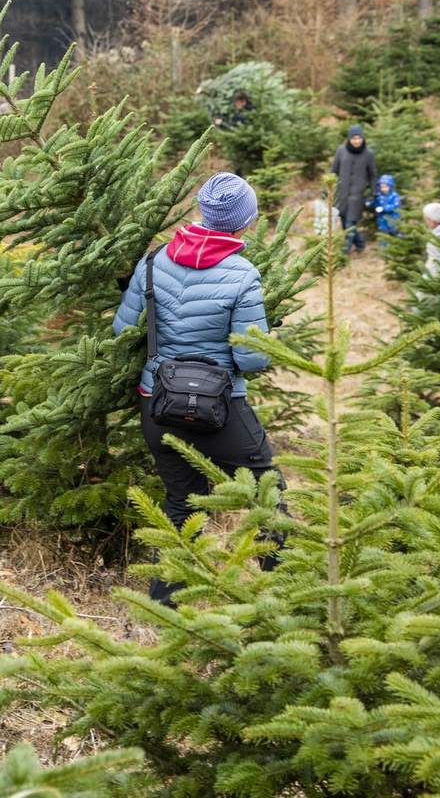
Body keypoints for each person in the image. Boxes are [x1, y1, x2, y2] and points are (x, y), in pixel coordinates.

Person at [113, 173, 284, 604]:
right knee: (269, 497)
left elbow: (122, 329)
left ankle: (162, 606)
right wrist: (269, 341)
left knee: (182, 505)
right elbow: (252, 359)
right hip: (220, 412)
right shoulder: (243, 274)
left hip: (158, 403)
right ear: (244, 221)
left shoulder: (154, 261)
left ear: (202, 212)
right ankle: (289, 596)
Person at [330, 124, 376, 255]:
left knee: (350, 223)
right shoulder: (341, 150)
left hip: (357, 195)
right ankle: (360, 244)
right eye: (354, 138)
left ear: (362, 138)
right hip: (342, 193)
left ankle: (345, 251)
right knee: (345, 221)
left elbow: (372, 175)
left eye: (359, 138)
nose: (357, 141)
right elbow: (334, 170)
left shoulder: (368, 154)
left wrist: (373, 192)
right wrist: (327, 188)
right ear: (349, 139)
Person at [373, 174, 402, 240]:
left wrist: (384, 208)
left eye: (385, 187)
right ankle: (383, 248)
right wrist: (370, 202)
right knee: (383, 235)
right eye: (382, 187)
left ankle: (395, 247)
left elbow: (395, 206)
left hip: (392, 218)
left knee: (394, 233)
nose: (383, 189)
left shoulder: (394, 196)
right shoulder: (379, 196)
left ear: (391, 186)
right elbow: (376, 205)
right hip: (382, 220)